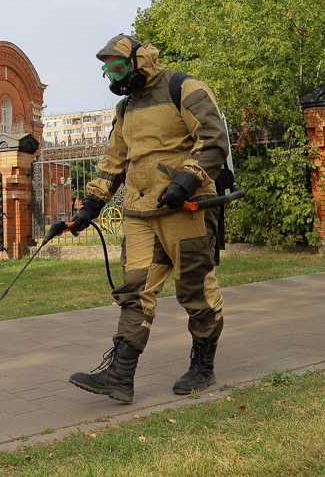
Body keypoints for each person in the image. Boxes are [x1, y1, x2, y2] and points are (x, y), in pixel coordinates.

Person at [68, 34, 230, 403]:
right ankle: (120, 375)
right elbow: (114, 161)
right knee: (134, 291)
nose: (114, 77)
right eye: (108, 72)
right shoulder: (125, 108)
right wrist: (90, 206)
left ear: (140, 61)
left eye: (118, 68)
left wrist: (186, 182)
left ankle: (203, 367)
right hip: (139, 213)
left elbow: (213, 138)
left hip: (186, 210)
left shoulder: (183, 88)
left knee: (195, 291)